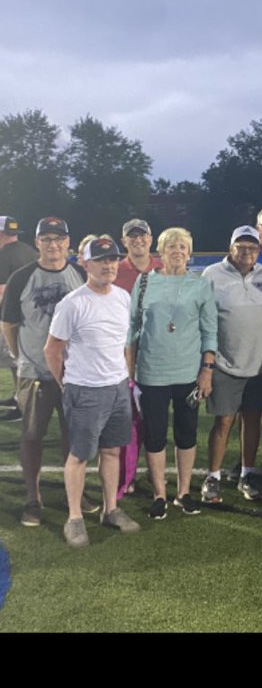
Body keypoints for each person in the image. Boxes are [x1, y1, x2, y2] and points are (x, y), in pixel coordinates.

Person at [44, 237, 140, 547]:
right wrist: (67, 383)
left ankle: (110, 509)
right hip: (85, 390)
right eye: (100, 260)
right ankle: (74, 518)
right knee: (80, 455)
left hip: (116, 387)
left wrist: (124, 377)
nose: (108, 265)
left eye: (112, 259)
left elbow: (123, 343)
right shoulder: (73, 302)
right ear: (85, 265)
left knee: (112, 450)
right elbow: (52, 349)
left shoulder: (123, 297)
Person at [1, 216, 94, 526]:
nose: (53, 244)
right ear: (38, 242)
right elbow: (9, 324)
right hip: (35, 373)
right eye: (47, 239)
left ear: (68, 242)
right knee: (32, 436)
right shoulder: (21, 277)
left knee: (74, 434)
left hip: (74, 374)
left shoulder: (80, 273)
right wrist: (21, 357)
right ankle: (33, 497)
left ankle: (76, 494)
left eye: (59, 238)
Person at [126, 226, 218, 519]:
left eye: (182, 247)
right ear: (161, 252)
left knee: (186, 433)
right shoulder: (143, 283)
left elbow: (210, 332)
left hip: (188, 373)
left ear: (190, 253)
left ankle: (184, 492)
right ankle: (159, 495)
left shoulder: (200, 285)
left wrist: (207, 371)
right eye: (171, 247)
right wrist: (131, 377)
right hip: (151, 373)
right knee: (154, 435)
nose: (177, 252)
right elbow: (132, 333)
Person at [200, 226, 262, 504]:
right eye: (241, 246)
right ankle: (213, 476)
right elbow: (203, 319)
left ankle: (247, 473)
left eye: (252, 247)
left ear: (259, 250)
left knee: (252, 420)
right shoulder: (211, 274)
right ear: (230, 247)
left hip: (260, 363)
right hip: (225, 363)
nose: (247, 252)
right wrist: (206, 364)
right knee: (224, 421)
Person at [112, 218, 164, 499]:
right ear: (124, 240)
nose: (138, 240)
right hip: (125, 356)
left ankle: (156, 478)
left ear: (150, 238)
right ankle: (126, 477)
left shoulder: (164, 268)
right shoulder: (116, 270)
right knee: (130, 422)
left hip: (160, 356)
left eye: (142, 235)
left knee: (155, 420)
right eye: (132, 236)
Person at [0, 216, 38, 415]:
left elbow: (2, 291)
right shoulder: (29, 251)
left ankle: (22, 403)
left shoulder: (4, 254)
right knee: (21, 361)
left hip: (11, 317)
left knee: (16, 360)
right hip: (32, 316)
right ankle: (18, 396)